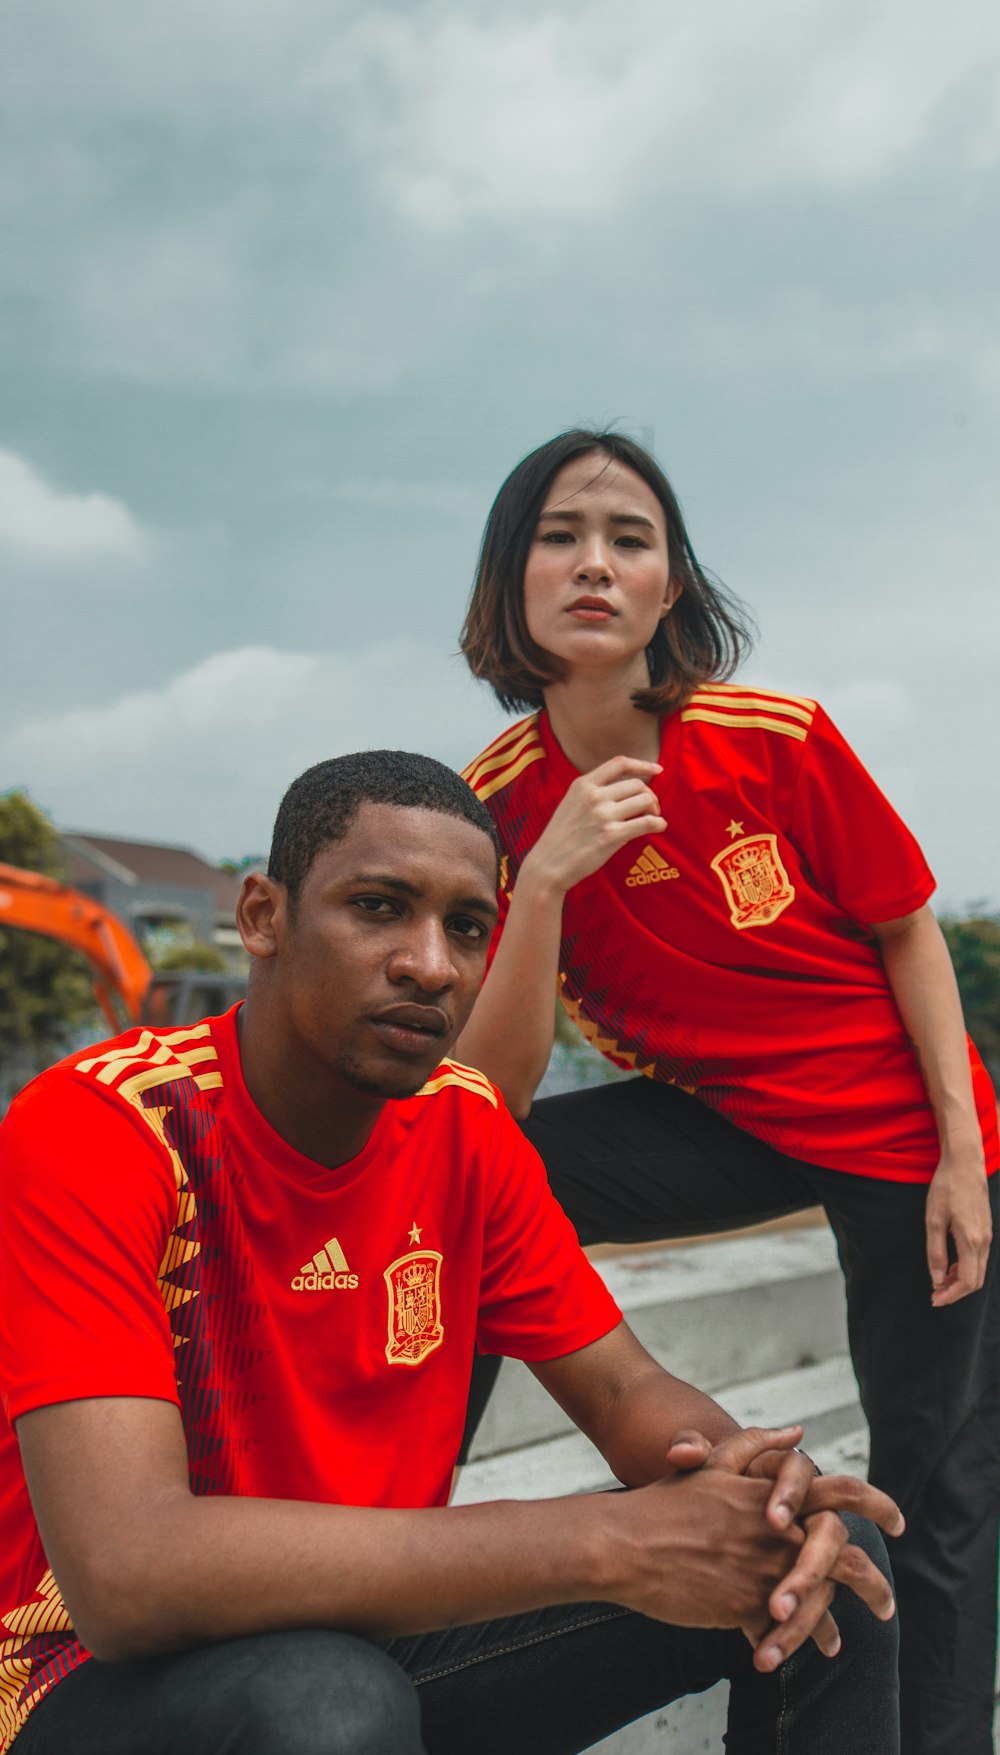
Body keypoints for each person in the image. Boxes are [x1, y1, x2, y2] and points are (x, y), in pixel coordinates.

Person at [0, 751, 902, 1755]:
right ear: (262, 917)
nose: (430, 963)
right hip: (82, 1678)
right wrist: (599, 1542)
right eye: (379, 907)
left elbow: (620, 1394)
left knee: (821, 1562)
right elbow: (130, 1575)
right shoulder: (105, 1130)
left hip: (369, 1630)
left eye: (466, 927)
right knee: (326, 1700)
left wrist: (764, 1494)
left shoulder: (464, 1130)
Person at [456, 431, 1000, 1755]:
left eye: (629, 536)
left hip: (898, 1133)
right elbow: (491, 1085)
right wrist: (542, 882)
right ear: (509, 577)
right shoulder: (493, 802)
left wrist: (963, 1157)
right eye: (559, 533)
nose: (593, 561)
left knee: (938, 1481)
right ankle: (386, 1499)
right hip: (724, 1120)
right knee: (471, 1167)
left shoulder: (776, 737)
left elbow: (907, 929)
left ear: (669, 586)